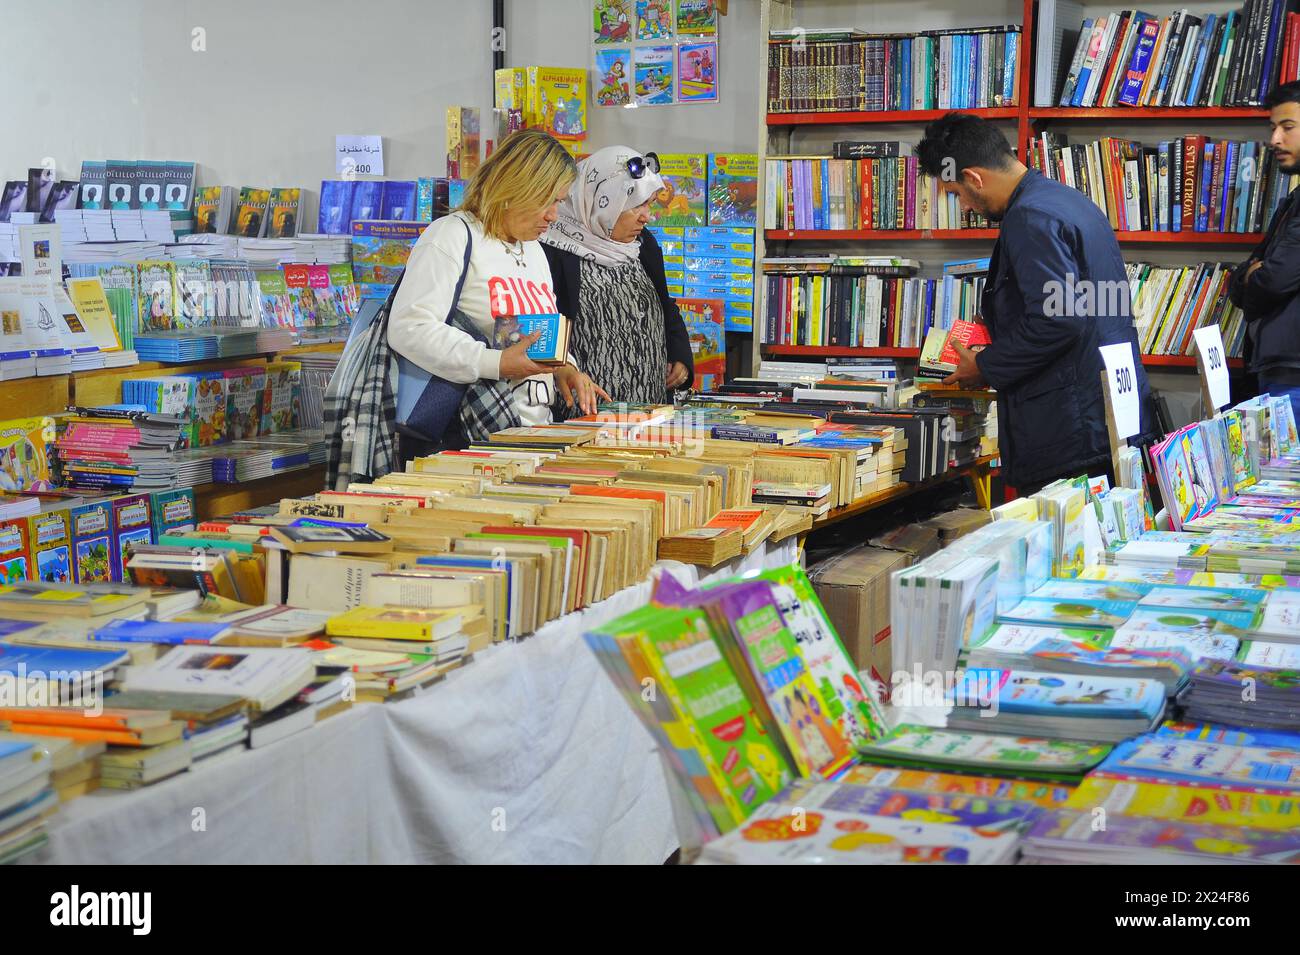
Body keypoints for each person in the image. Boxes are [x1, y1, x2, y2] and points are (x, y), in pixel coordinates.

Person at [917, 112, 1155, 494]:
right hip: (1107, 414)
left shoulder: (1029, 217)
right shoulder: (1067, 200)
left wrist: (984, 365)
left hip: (1068, 427)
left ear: (975, 177)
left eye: (957, 194)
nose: (963, 207)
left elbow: (1059, 320)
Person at [388, 129, 607, 451]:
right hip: (465, 435)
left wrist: (564, 367)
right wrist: (495, 363)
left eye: (559, 202)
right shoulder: (451, 236)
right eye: (546, 201)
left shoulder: (532, 248)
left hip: (530, 433)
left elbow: (533, 330)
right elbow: (409, 328)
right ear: (513, 189)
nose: (553, 215)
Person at [541, 146, 694, 410]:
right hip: (586, 413)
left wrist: (681, 357)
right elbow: (543, 328)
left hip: (648, 408)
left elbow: (665, 305)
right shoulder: (553, 251)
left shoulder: (643, 246)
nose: (647, 217)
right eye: (636, 206)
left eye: (649, 204)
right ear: (604, 201)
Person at [1229, 81, 1300, 423]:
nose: (1274, 140)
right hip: (1280, 372)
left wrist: (1253, 274)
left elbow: (1271, 280)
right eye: (1273, 128)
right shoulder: (1293, 200)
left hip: (1293, 379)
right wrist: (1248, 274)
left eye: (1287, 127)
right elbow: (1243, 280)